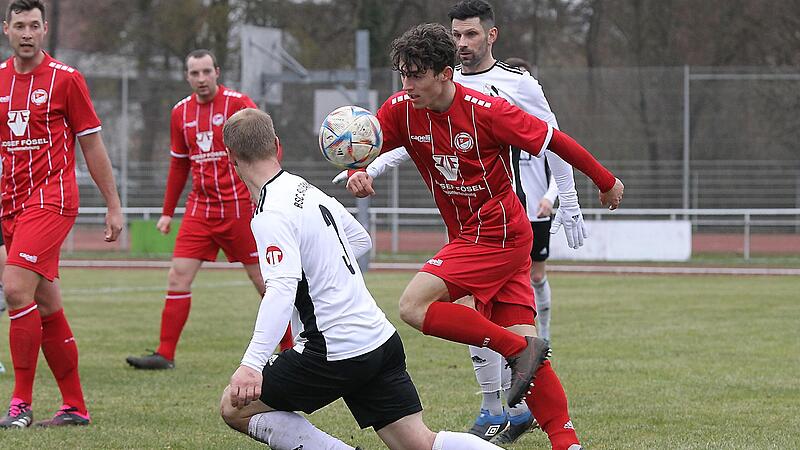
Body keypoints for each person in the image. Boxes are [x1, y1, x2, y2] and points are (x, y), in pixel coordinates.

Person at [345, 23, 624, 450]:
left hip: (497, 233)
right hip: (476, 234)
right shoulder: (402, 109)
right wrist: (359, 171)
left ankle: (514, 350)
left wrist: (604, 181)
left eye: (416, 75)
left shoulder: (488, 111)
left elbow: (554, 140)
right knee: (530, 352)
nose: (406, 85)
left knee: (413, 306)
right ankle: (567, 442)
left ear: (445, 73)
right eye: (403, 74)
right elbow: (371, 146)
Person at [218, 107, 502, 450]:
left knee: (235, 407)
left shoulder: (270, 212)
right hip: (378, 339)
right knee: (419, 444)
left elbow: (280, 289)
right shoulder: (305, 189)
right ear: (277, 145)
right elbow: (360, 240)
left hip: (332, 352)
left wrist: (251, 365)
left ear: (230, 156)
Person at [125, 49, 291, 370]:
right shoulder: (180, 112)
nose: (201, 79)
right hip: (200, 209)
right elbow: (178, 165)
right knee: (178, 276)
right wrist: (167, 212)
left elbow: (271, 146)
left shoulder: (238, 104)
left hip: (239, 207)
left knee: (263, 281)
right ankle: (164, 354)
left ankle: (289, 347)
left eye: (206, 72)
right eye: (194, 73)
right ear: (187, 76)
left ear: (217, 72)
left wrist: (265, 188)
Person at [0, 0, 124, 428]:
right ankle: (75, 407)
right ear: (6, 29)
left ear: (45, 29)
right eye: (20, 25)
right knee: (45, 302)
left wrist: (113, 204)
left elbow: (92, 144)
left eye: (34, 25)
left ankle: (20, 404)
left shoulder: (65, 79)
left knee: (15, 289)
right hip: (11, 204)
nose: (27, 33)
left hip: (51, 199)